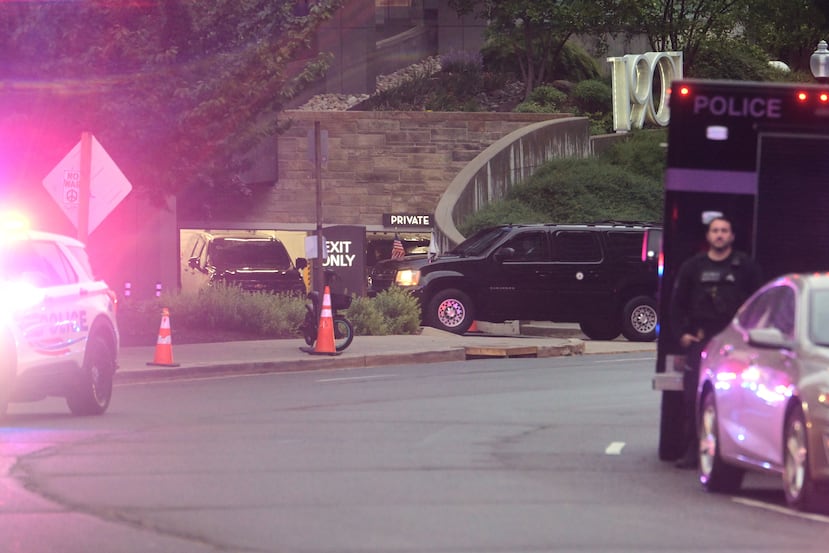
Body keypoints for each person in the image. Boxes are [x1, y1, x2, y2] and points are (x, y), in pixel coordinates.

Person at [670, 215, 763, 469]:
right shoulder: (693, 267)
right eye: (715, 231)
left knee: (737, 397)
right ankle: (694, 449)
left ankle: (738, 450)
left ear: (732, 236)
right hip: (703, 341)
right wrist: (682, 335)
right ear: (708, 236)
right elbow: (676, 304)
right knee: (694, 397)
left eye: (724, 230)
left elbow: (759, 304)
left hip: (735, 344)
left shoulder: (745, 267)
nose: (720, 235)